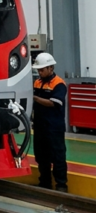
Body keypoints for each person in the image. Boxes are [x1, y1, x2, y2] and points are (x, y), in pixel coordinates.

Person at [31, 52, 67, 192]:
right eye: (38, 70)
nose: (39, 72)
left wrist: (34, 98)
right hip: (40, 126)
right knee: (41, 156)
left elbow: (54, 103)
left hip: (54, 128)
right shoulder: (37, 83)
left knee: (58, 156)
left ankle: (61, 185)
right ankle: (45, 183)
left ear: (51, 68)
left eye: (42, 70)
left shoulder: (59, 84)